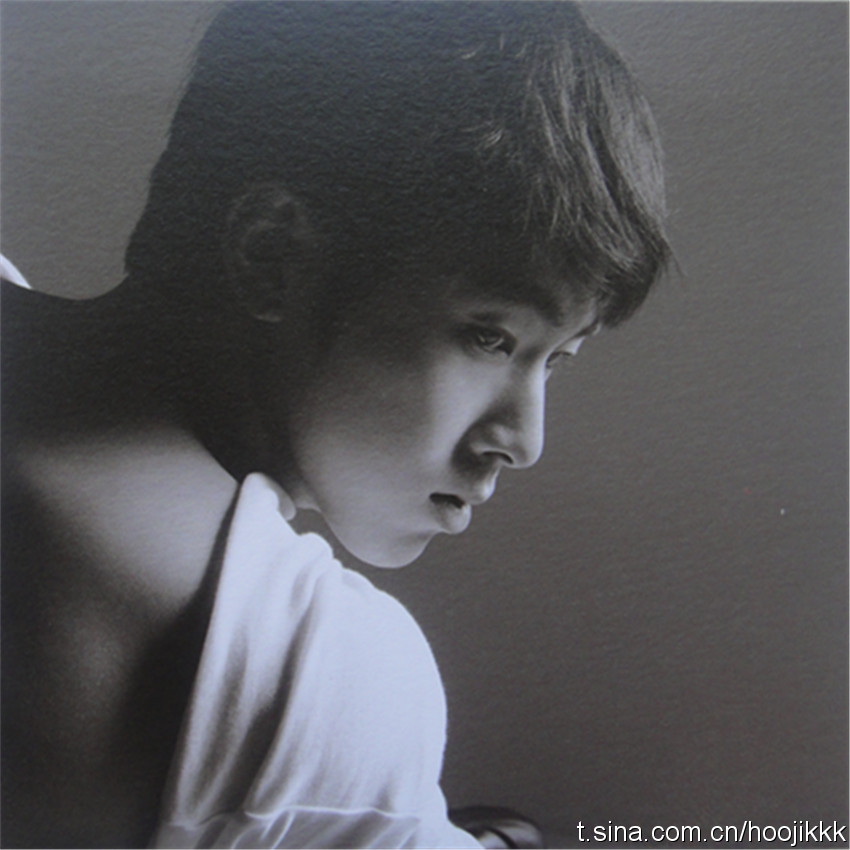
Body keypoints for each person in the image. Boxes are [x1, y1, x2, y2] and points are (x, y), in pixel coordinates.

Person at [1, 2, 669, 847]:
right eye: (489, 337)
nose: (523, 440)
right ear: (273, 254)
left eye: (556, 359)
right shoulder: (310, 670)